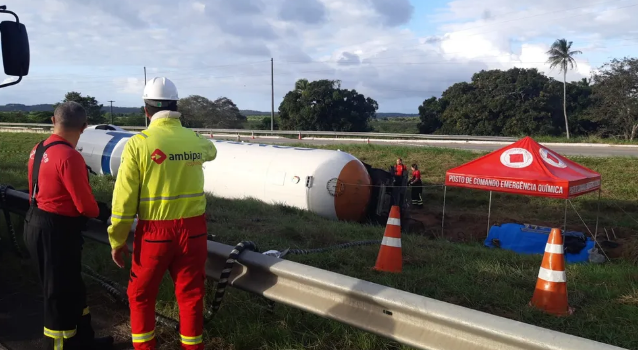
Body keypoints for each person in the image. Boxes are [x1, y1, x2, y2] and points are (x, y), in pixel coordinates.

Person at [107, 77, 217, 350]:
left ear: (146, 110)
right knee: (191, 297)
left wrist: (117, 239)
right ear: (176, 106)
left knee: (141, 296)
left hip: (155, 234)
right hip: (194, 232)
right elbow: (211, 151)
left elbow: (123, 202)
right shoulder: (194, 139)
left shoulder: (137, 144)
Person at [23, 101, 114, 350]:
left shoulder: (38, 148)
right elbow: (86, 207)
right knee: (59, 296)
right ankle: (62, 345)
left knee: (72, 288)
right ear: (84, 127)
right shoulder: (70, 156)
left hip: (37, 221)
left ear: (53, 121)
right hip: (56, 232)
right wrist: (104, 211)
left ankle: (83, 340)